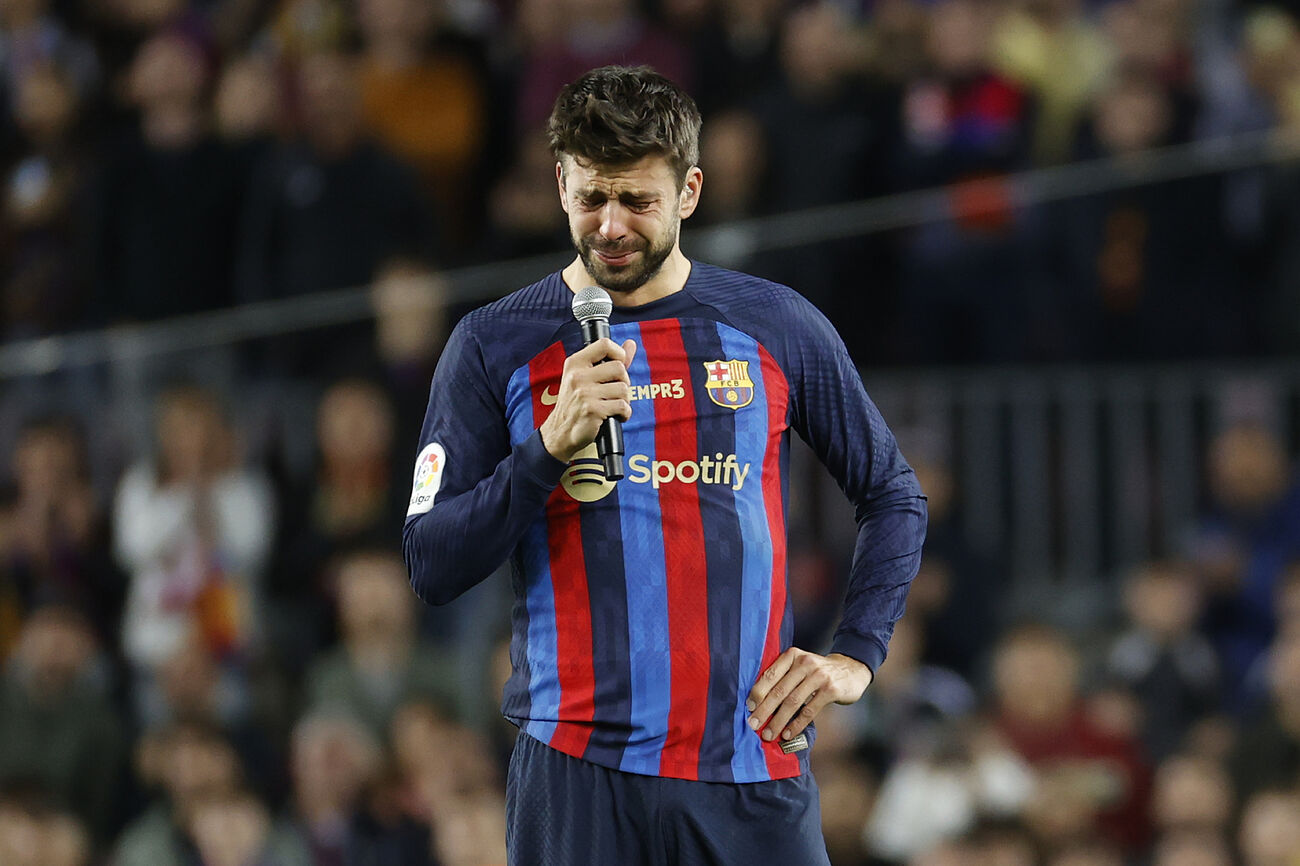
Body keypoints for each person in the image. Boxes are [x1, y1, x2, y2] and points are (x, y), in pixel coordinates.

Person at [401, 65, 927, 865]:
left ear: (690, 192)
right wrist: (545, 451)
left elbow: (893, 494)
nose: (611, 226)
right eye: (591, 197)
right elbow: (431, 563)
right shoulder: (493, 343)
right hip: (574, 771)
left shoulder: (775, 325)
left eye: (638, 201)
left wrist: (856, 653)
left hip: (749, 765)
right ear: (560, 184)